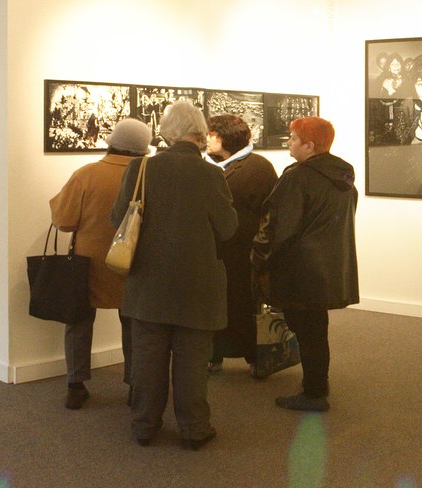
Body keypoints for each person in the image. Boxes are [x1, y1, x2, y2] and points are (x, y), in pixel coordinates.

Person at [112, 100, 237, 448]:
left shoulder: (139, 170)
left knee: (147, 358)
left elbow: (116, 220)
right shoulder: (212, 174)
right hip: (198, 284)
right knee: (192, 360)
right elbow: (228, 228)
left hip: (147, 282)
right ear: (198, 135)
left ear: (166, 134)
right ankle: (194, 429)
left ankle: (144, 425)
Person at [255, 116, 357, 412]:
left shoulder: (297, 177)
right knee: (316, 328)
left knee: (307, 329)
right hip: (328, 266)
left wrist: (260, 259)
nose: (288, 142)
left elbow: (279, 229)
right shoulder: (343, 175)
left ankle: (313, 393)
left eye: (293, 138)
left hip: (300, 269)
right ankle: (317, 383)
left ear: (309, 145)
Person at [49, 118, 151, 409]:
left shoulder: (86, 174)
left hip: (89, 263)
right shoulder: (147, 177)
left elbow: (64, 222)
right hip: (133, 261)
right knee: (133, 325)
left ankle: (75, 385)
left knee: (78, 322)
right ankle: (135, 385)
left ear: (112, 142)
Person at [203, 113, 278, 371]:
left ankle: (255, 357)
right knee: (215, 304)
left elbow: (271, 213)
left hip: (246, 252)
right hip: (215, 252)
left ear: (228, 138)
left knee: (246, 307)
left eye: (212, 134)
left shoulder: (259, 167)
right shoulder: (207, 165)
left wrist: (262, 246)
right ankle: (215, 355)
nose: (207, 139)